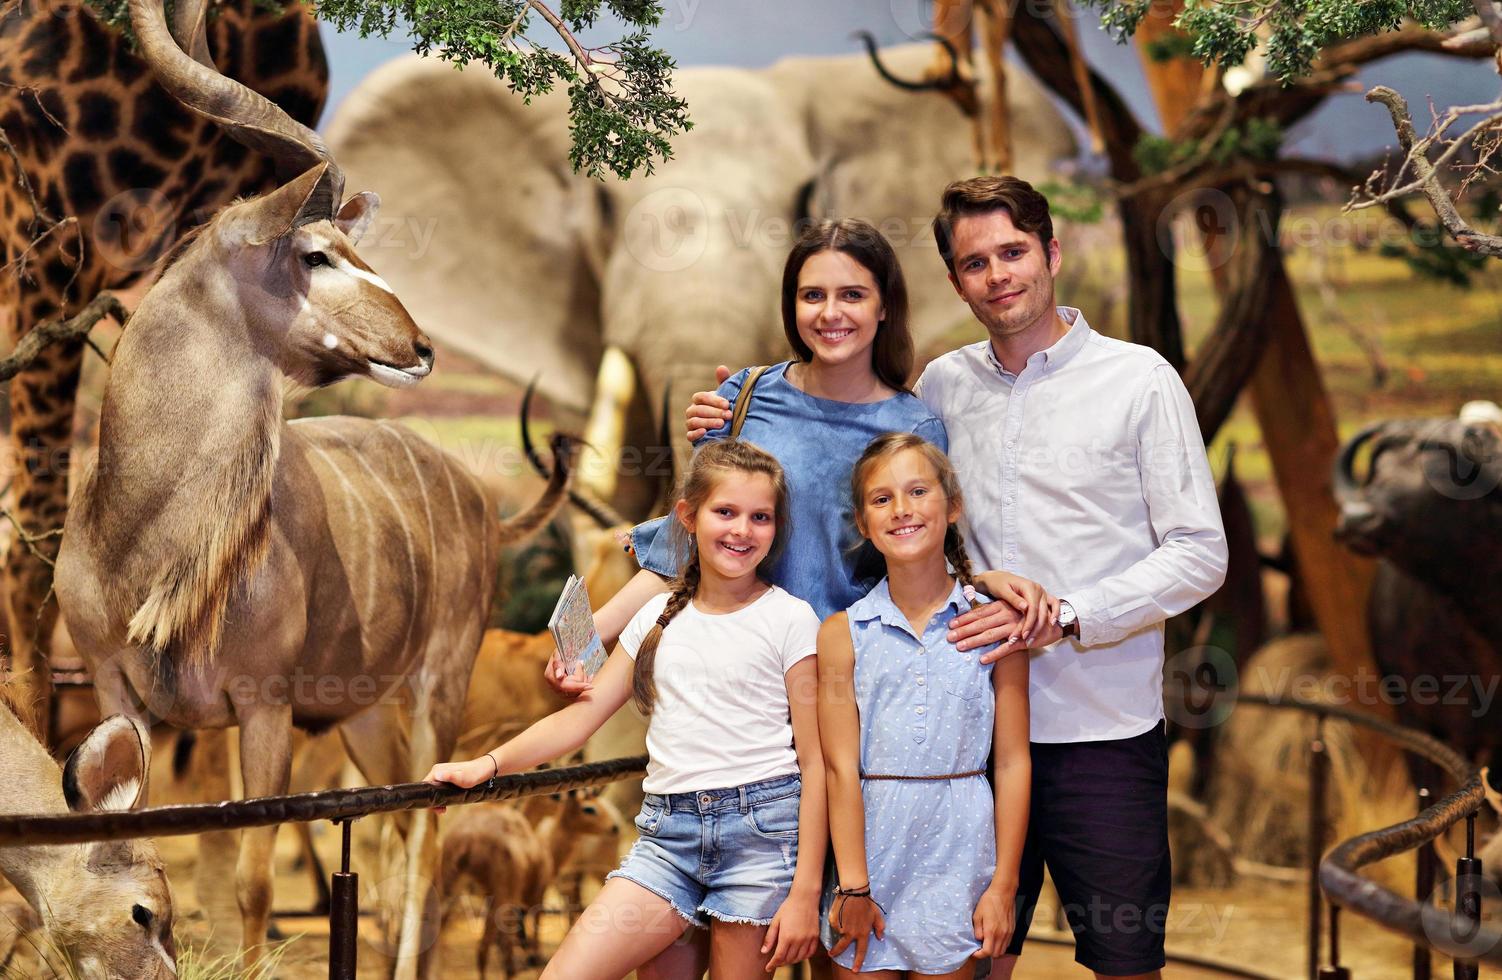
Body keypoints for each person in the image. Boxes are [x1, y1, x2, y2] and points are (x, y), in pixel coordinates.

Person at [688, 176, 1229, 979]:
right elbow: (872, 475)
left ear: (1051, 251)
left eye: (1014, 251)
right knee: (978, 958)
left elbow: (1199, 551)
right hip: (954, 736)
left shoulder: (1139, 380)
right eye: (976, 263)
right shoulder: (940, 389)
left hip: (1097, 733)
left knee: (1125, 959)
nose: (999, 274)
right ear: (954, 281)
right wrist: (741, 412)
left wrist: (1070, 613)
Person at [554, 217, 1050, 690]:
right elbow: (680, 553)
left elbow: (917, 569)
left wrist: (985, 583)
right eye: (813, 295)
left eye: (852, 295)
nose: (830, 313)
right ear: (792, 306)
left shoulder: (914, 428)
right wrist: (579, 643)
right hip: (737, 686)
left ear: (884, 307)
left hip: (851, 687)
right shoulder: (739, 399)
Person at [428, 440, 827, 979]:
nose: (742, 530)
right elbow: (579, 718)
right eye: (725, 512)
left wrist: (805, 892)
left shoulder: (792, 619)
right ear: (687, 517)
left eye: (760, 517)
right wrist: (488, 764)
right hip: (667, 838)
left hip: (759, 836)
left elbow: (815, 760)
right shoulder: (655, 618)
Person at [819, 433, 1030, 979]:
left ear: (952, 505)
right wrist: (853, 886)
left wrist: (1003, 886)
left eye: (918, 490)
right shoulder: (842, 634)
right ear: (863, 523)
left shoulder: (995, 626)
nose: (902, 509)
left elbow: (1011, 762)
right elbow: (840, 768)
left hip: (960, 859)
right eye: (882, 499)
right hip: (867, 854)